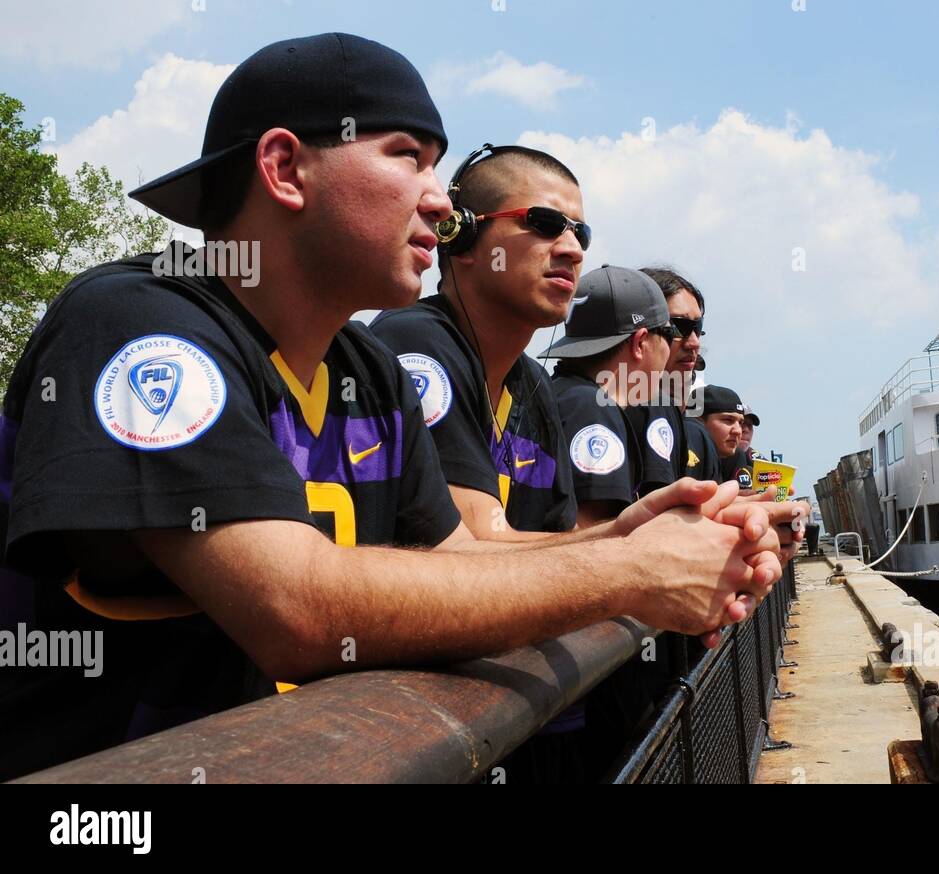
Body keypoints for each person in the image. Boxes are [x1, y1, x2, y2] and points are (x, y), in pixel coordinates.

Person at [0, 33, 781, 780]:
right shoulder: (139, 326)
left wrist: (627, 536)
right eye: (408, 158)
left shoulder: (365, 365)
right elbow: (294, 610)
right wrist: (625, 574)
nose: (443, 206)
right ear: (283, 168)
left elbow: (457, 559)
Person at [370, 144, 587, 540]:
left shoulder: (534, 386)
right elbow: (480, 547)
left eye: (580, 233)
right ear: (462, 237)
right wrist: (639, 553)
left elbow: (564, 540)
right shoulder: (416, 338)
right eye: (543, 223)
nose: (573, 250)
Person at [543, 265, 689, 526]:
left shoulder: (562, 392)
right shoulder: (591, 407)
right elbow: (593, 537)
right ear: (640, 342)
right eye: (670, 333)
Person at [640, 267, 719, 483]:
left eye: (697, 327)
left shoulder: (698, 437)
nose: (694, 342)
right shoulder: (602, 413)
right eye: (678, 326)